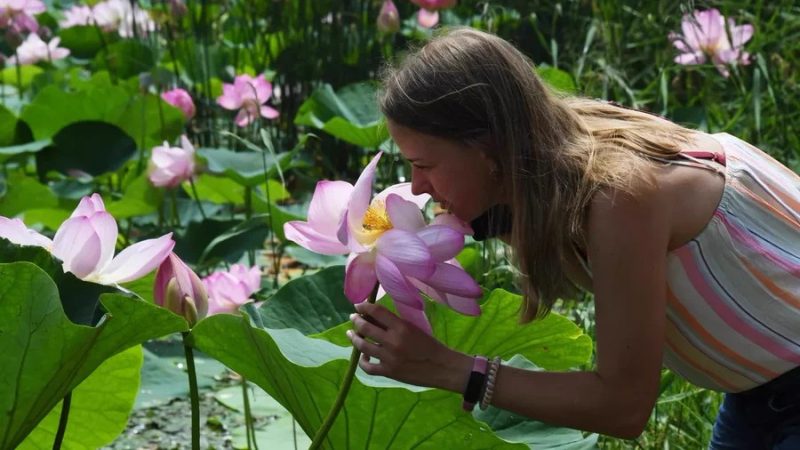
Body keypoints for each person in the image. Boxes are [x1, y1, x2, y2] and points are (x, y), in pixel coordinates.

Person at [344, 27, 800, 448]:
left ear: (488, 147)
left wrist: (453, 370)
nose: (417, 188)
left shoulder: (618, 193)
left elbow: (623, 406)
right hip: (757, 397)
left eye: (424, 165)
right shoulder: (550, 160)